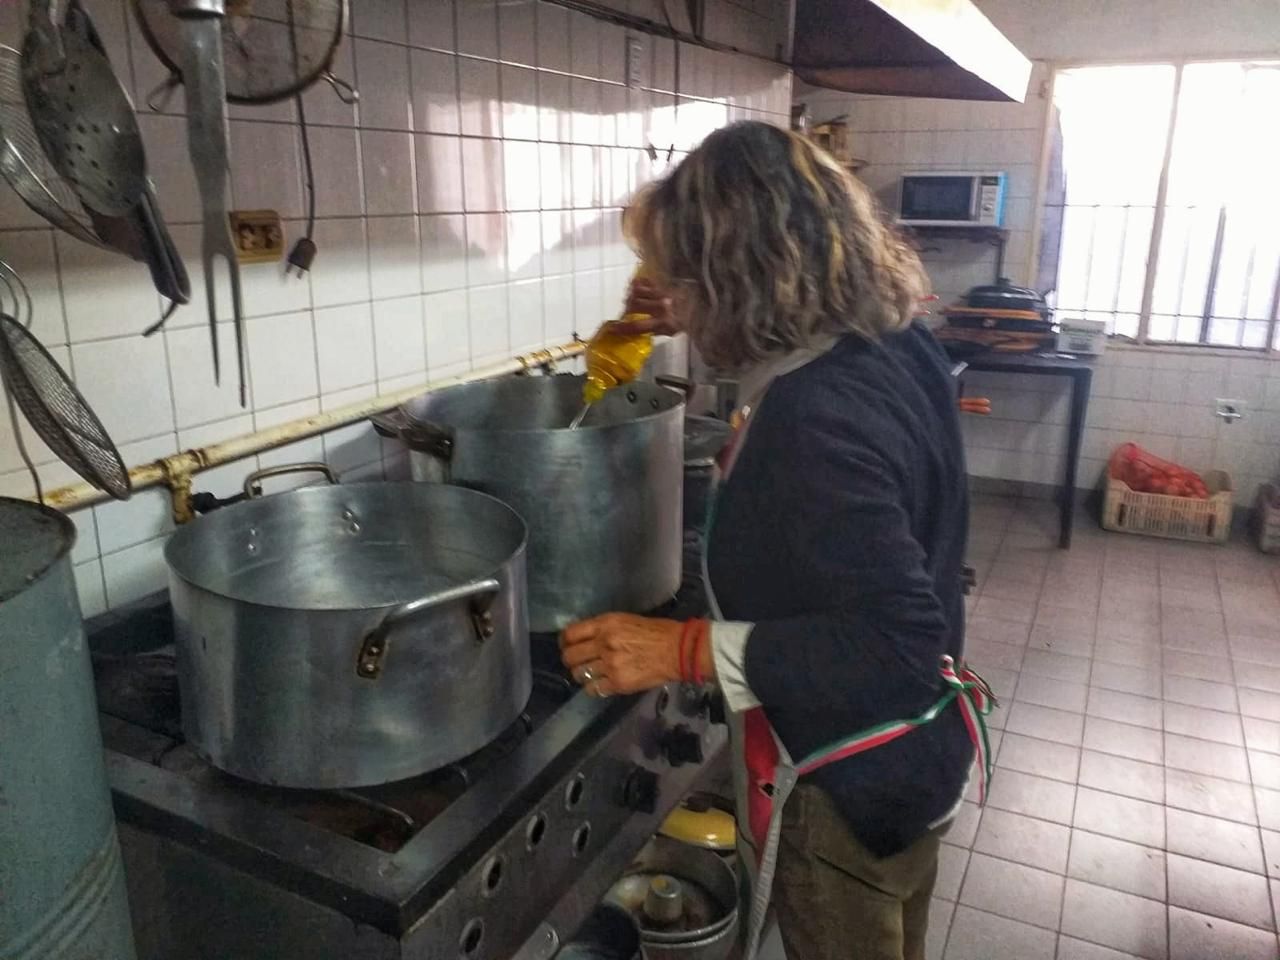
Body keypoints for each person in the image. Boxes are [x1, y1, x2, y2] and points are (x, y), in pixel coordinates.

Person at [559, 121, 990, 960]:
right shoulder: (894, 343)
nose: (669, 296)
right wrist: (682, 309)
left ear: (736, 280)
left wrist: (680, 648)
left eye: (684, 280)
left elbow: (897, 642)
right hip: (924, 752)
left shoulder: (813, 418)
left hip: (848, 792)